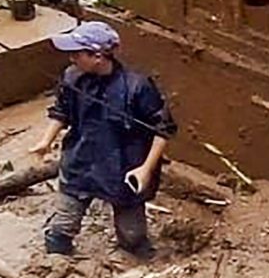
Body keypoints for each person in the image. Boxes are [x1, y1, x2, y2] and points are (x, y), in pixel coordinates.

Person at [26, 21, 177, 260]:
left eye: (77, 54)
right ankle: (58, 257)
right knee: (60, 229)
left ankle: (135, 256)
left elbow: (163, 129)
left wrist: (146, 169)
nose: (72, 59)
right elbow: (62, 111)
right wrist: (46, 141)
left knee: (133, 238)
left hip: (123, 166)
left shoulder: (137, 87)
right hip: (81, 160)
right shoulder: (72, 77)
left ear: (97, 56)